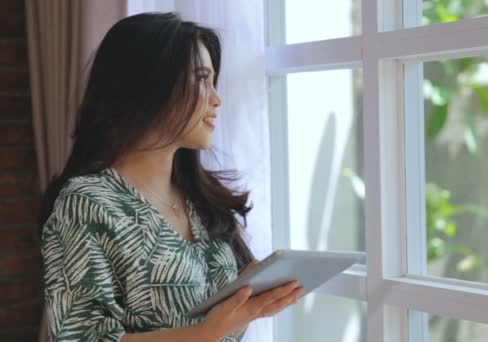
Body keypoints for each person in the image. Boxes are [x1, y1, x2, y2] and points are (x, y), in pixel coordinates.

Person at [39, 12, 303, 342]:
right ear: (152, 84)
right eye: (202, 79)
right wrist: (206, 332)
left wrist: (246, 300)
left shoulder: (200, 199)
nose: (216, 99)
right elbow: (81, 338)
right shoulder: (86, 203)